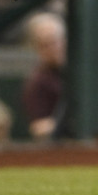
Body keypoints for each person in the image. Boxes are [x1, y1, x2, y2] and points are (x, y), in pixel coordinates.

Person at [22, 12, 67, 141]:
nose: (53, 49)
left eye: (55, 42)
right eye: (44, 45)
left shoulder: (82, 71)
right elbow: (38, 128)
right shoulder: (37, 82)